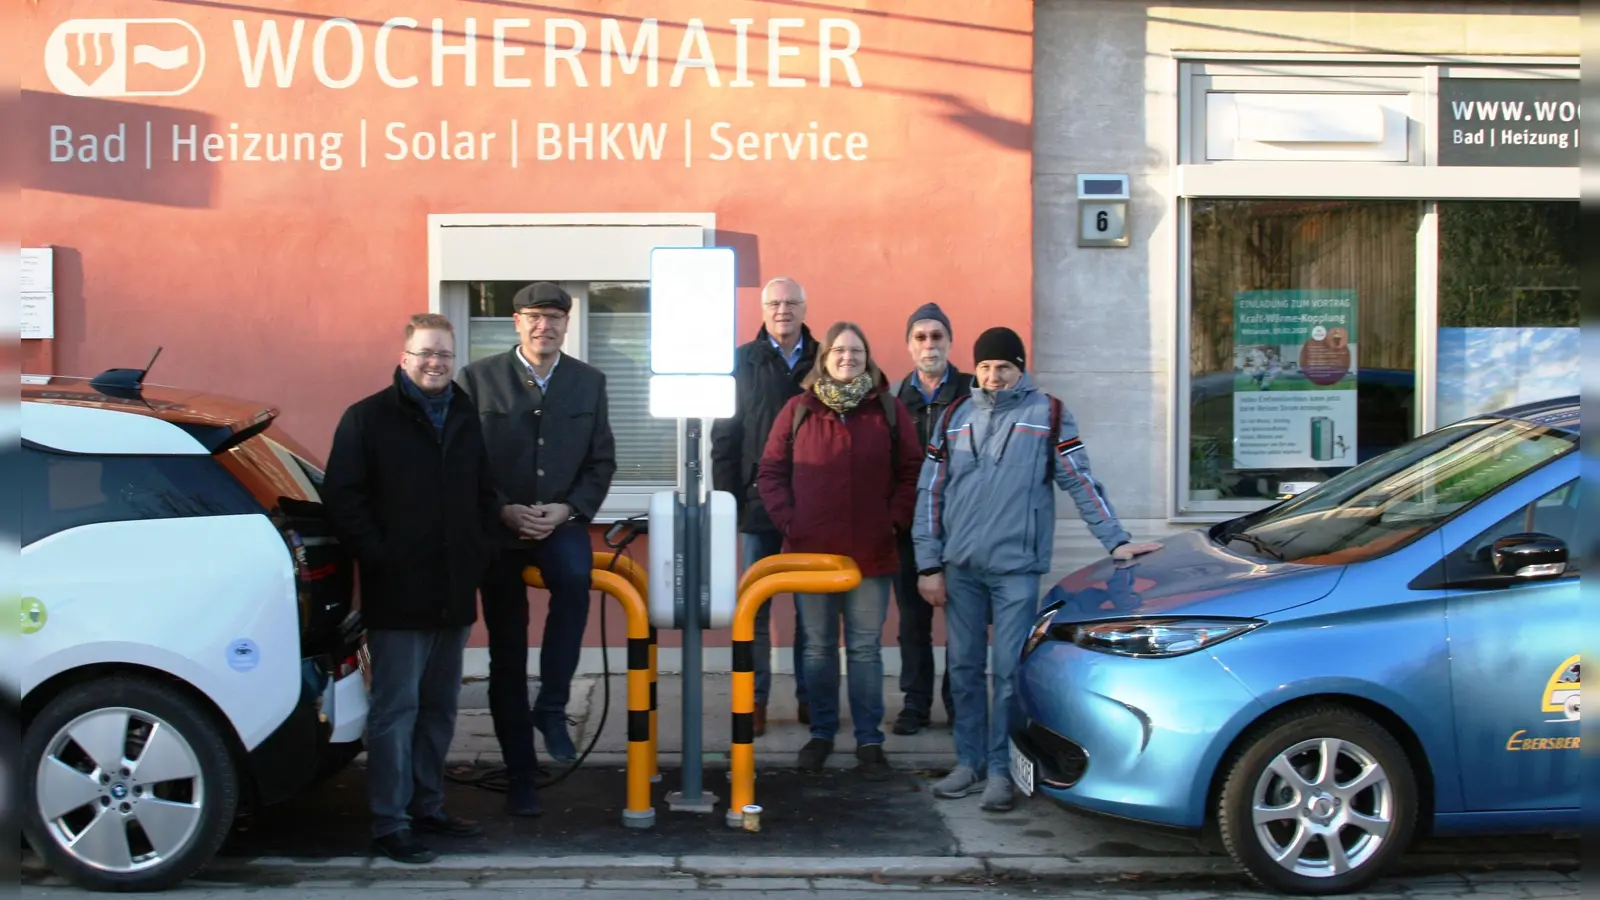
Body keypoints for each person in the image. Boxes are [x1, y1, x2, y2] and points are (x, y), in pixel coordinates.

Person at [912, 326, 1160, 811]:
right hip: (960, 568)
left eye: (1003, 366)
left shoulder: (1046, 413)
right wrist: (928, 562)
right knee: (963, 669)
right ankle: (968, 763)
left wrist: (1117, 540)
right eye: (985, 367)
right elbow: (930, 493)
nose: (993, 376)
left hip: (1015, 570)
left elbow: (1080, 479)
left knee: (1006, 672)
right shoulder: (956, 417)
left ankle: (1002, 769)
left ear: (1020, 368)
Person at [322, 313, 499, 863]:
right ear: (405, 358)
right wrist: (380, 557)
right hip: (397, 593)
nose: (435, 363)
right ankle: (389, 822)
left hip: (452, 591)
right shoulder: (368, 419)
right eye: (425, 353)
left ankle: (428, 805)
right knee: (395, 710)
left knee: (440, 707)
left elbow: (482, 493)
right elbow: (343, 500)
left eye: (445, 354)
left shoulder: (467, 415)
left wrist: (476, 554)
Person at [457, 282, 617, 817]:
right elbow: (465, 461)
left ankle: (552, 705)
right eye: (533, 317)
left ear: (566, 325)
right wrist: (501, 507)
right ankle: (521, 771)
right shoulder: (476, 379)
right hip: (499, 526)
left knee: (576, 580)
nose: (543, 326)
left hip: (559, 520)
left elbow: (601, 462)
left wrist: (568, 510)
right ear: (515, 323)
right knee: (507, 649)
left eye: (553, 317)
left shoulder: (588, 382)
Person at [757, 322, 922, 779]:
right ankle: (823, 733)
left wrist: (893, 520)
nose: (847, 357)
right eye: (839, 351)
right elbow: (770, 471)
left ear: (867, 357)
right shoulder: (798, 409)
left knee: (866, 649)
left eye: (856, 350)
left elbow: (912, 471)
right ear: (824, 358)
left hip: (871, 552)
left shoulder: (887, 410)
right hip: (813, 554)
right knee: (818, 648)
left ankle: (869, 739)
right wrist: (790, 521)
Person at [710, 276, 819, 735]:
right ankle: (754, 700)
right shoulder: (740, 362)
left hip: (814, 508)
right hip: (757, 508)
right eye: (774, 302)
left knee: (809, 613)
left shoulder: (826, 359)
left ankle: (811, 699)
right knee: (754, 610)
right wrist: (728, 501)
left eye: (791, 302)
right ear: (763, 308)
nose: (782, 310)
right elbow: (724, 438)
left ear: (804, 307)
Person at [887, 303, 969, 735]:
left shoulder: (974, 393)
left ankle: (959, 704)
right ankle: (915, 704)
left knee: (962, 624)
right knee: (913, 624)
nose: (929, 344)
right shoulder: (895, 400)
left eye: (937, 336)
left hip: (962, 530)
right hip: (910, 533)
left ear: (950, 342)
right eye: (920, 337)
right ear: (909, 345)